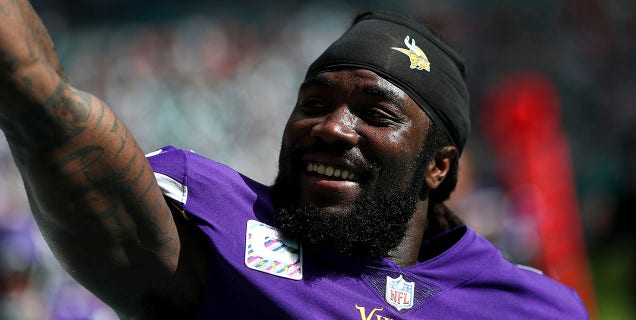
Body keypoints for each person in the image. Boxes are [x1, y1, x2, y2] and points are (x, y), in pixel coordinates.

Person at [0, 1, 588, 319]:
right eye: (314, 102)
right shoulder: (216, 221)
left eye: (376, 114)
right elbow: (53, 124)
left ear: (439, 167)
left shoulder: (530, 307)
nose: (332, 126)